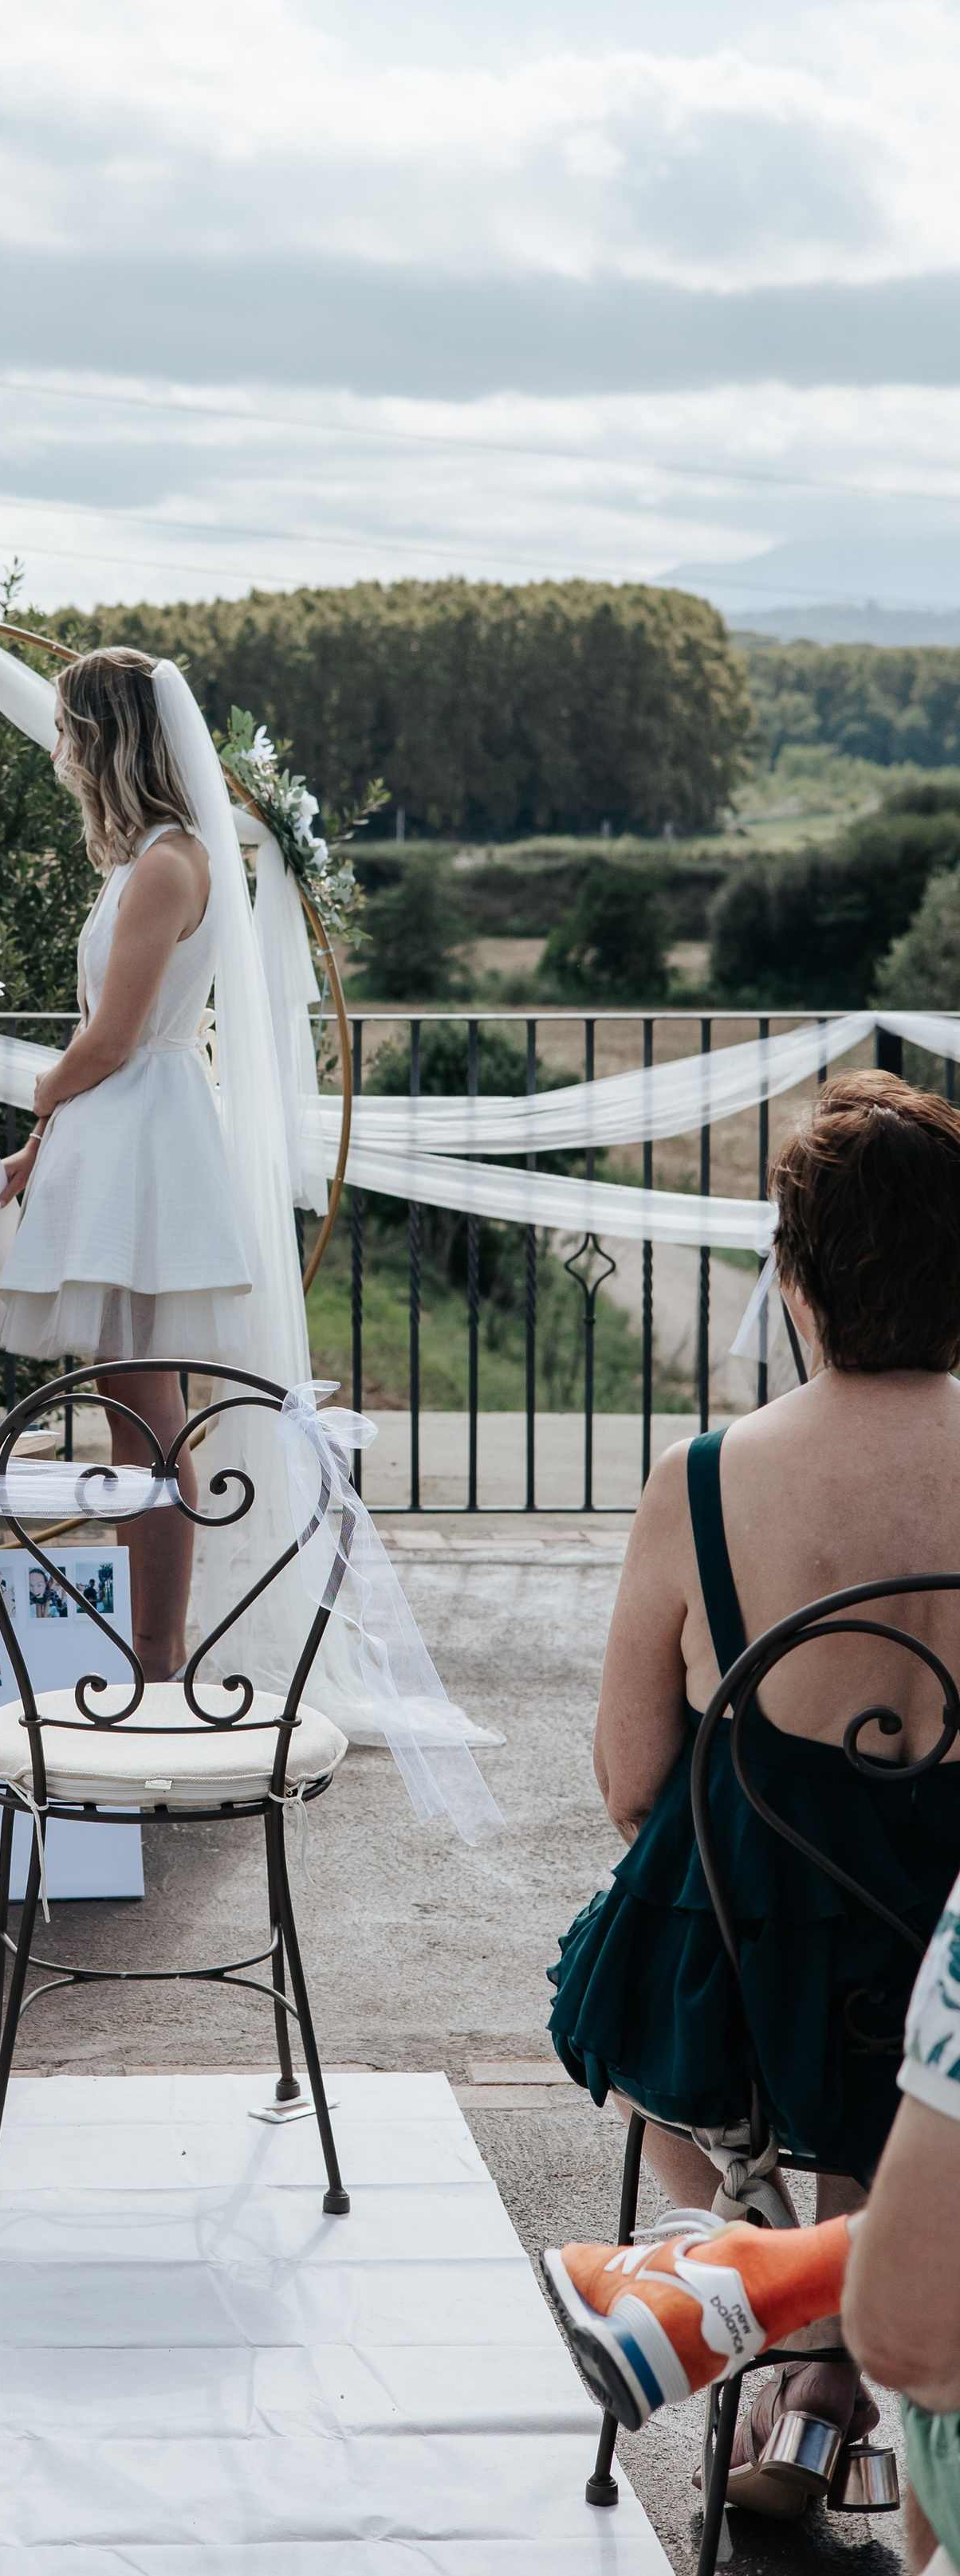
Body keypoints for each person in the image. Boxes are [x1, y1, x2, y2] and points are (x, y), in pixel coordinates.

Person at [548, 1073, 960, 2515]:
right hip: (950, 1989)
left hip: (757, 1985)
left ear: (791, 1277)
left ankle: (714, 2277)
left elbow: (629, 1780)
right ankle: (837, 2380)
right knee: (896, 1993)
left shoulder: (706, 1477)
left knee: (677, 1914)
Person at [545, 1849, 960, 2570]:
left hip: (753, 1973)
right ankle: (786, 2317)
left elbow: (633, 1790)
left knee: (628, 1982)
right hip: (911, 1936)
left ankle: (771, 2301)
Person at [0, 647, 253, 1681]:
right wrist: (45, 1145)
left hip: (146, 1137)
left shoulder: (166, 865)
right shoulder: (152, 856)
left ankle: (159, 1658)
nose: (55, 751)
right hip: (127, 1133)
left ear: (100, 738)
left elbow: (114, 1037)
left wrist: (43, 1095)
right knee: (125, 1403)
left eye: (64, 731)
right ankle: (150, 1649)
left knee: (146, 1406)